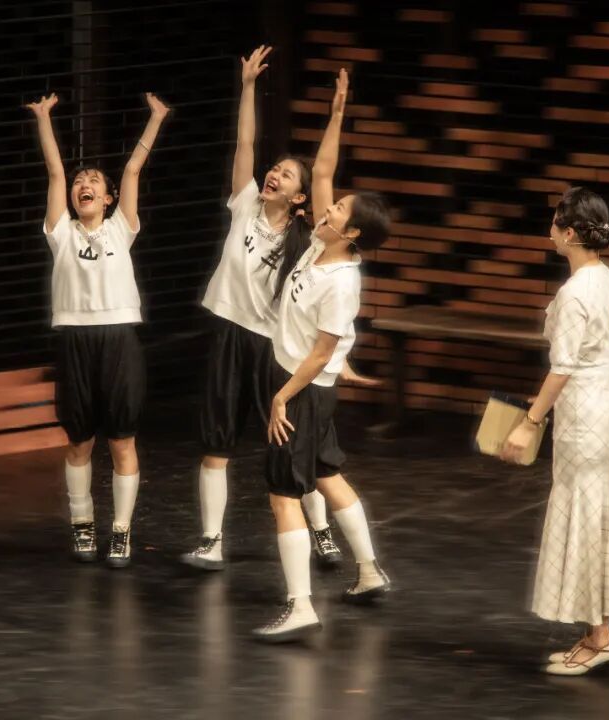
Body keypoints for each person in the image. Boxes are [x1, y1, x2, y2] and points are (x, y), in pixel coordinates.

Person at [181, 46, 370, 572]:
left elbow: (325, 169)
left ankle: (322, 531)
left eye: (286, 175)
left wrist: (336, 115)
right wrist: (247, 86)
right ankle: (211, 540)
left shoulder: (308, 240)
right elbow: (245, 142)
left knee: (294, 444)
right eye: (275, 170)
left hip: (275, 348)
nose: (274, 176)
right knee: (216, 443)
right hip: (230, 333)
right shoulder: (245, 204)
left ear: (300, 198)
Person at [252, 68, 393, 643]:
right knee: (329, 474)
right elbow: (326, 170)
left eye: (338, 212)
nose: (328, 209)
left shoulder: (341, 282)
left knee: (284, 495)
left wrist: (281, 398)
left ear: (352, 233)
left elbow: (321, 352)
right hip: (304, 387)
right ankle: (370, 571)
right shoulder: (318, 246)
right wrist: (337, 112)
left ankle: (301, 604)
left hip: (302, 389)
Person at [26, 91, 169, 568]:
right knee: (79, 441)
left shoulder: (121, 228)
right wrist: (44, 119)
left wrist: (155, 118)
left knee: (122, 440)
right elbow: (54, 171)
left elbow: (132, 170)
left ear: (108, 199)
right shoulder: (61, 232)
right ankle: (82, 522)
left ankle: (121, 530)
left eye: (93, 182)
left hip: (119, 338)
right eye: (80, 181)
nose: (83, 184)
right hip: (75, 339)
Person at [501, 186, 609, 676]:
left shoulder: (576, 291)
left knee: (584, 520)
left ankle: (599, 636)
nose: (551, 227)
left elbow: (562, 367)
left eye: (557, 220)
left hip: (585, 412)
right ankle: (597, 630)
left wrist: (529, 421)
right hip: (600, 405)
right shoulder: (602, 277)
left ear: (571, 233)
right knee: (591, 517)